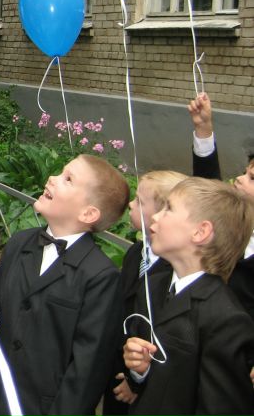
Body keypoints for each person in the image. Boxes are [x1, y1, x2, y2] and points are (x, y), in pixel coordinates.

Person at [0, 154, 127, 416]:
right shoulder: (21, 243)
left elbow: (87, 369)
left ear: (88, 213)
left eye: (68, 179)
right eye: (59, 172)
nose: (52, 178)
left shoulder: (100, 276)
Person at [123, 177, 254, 415]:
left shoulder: (226, 319)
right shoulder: (153, 286)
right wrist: (138, 371)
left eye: (169, 209)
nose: (155, 216)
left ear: (200, 232)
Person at [103, 170, 186, 415]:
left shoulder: (172, 270)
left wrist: (136, 383)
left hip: (142, 379)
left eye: (140, 201)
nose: (130, 203)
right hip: (117, 364)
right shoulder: (135, 253)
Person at [188, 92, 254, 319]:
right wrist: (204, 129)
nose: (239, 178)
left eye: (252, 178)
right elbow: (211, 192)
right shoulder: (233, 218)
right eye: (245, 172)